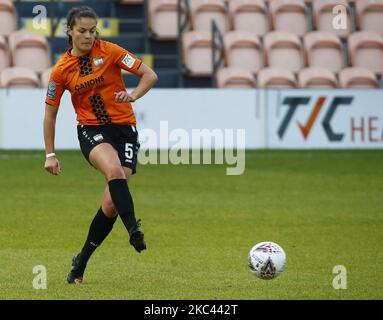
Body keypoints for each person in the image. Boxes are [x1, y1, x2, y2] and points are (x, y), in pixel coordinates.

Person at [43, 6, 158, 284]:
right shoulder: (61, 70)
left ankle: (80, 261)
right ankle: (133, 229)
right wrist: (50, 154)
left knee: (110, 205)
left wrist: (132, 96)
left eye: (92, 31)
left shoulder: (111, 51)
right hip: (91, 131)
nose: (88, 36)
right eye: (82, 31)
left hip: (125, 131)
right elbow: (50, 114)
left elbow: (149, 75)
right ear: (69, 31)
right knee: (115, 173)